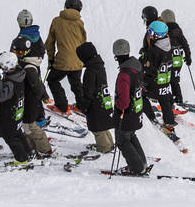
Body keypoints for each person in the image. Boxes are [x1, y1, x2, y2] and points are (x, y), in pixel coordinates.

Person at [111, 38, 149, 174]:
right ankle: (141, 163)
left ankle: (137, 167)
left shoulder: (124, 75)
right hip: (136, 110)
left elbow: (124, 101)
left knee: (122, 140)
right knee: (130, 136)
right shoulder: (136, 67)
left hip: (127, 113)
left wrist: (117, 107)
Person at [0, 50, 34, 164]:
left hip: (8, 115)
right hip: (17, 112)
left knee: (11, 138)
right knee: (18, 133)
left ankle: (22, 159)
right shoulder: (20, 74)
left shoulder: (10, 82)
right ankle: (29, 152)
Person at [45, 0, 87, 113]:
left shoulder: (57, 21)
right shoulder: (80, 23)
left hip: (63, 60)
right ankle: (82, 107)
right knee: (76, 83)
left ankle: (62, 106)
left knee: (52, 80)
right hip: (78, 59)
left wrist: (51, 59)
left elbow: (50, 43)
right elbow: (84, 42)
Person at [16, 34, 54, 156]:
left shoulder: (29, 67)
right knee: (26, 126)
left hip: (31, 102)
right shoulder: (24, 62)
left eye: (20, 51)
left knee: (31, 126)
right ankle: (31, 147)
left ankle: (45, 149)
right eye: (15, 51)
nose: (17, 53)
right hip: (26, 100)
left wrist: (43, 97)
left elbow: (37, 85)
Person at [76, 41, 116, 153]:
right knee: (104, 126)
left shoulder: (90, 71)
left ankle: (105, 147)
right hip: (104, 100)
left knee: (97, 129)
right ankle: (110, 144)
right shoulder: (99, 66)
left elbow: (88, 91)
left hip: (96, 105)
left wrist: (84, 105)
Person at [142, 20, 177, 132]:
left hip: (155, 82)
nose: (149, 34)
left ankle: (151, 118)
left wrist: (145, 66)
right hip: (165, 81)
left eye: (151, 32)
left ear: (157, 35)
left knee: (141, 95)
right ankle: (169, 120)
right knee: (164, 99)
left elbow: (150, 68)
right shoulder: (167, 45)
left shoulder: (155, 50)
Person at [160, 10, 192, 104]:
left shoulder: (164, 30)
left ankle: (173, 99)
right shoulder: (178, 30)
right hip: (178, 59)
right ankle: (177, 98)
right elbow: (185, 44)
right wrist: (188, 56)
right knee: (174, 80)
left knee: (166, 79)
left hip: (168, 59)